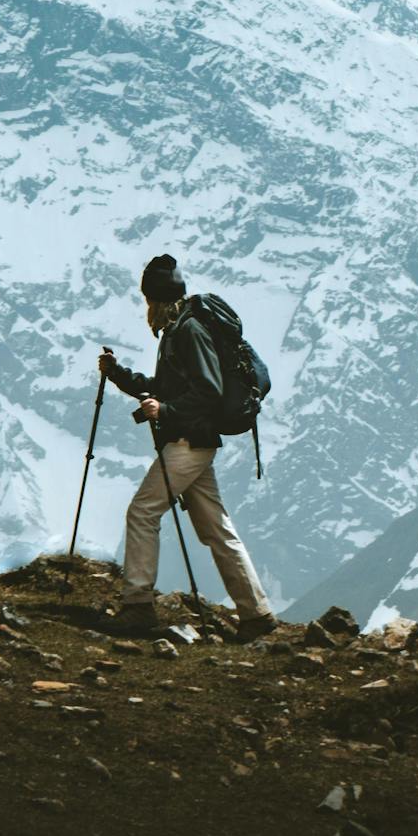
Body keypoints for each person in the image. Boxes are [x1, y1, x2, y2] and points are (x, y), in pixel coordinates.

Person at [97, 253, 280, 641]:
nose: (146, 308)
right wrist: (118, 375)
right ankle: (256, 613)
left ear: (158, 299)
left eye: (148, 300)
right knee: (217, 530)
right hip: (194, 443)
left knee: (142, 512)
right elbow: (166, 386)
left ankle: (137, 605)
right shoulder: (179, 329)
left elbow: (208, 391)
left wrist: (166, 410)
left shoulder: (188, 331)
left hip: (187, 443)